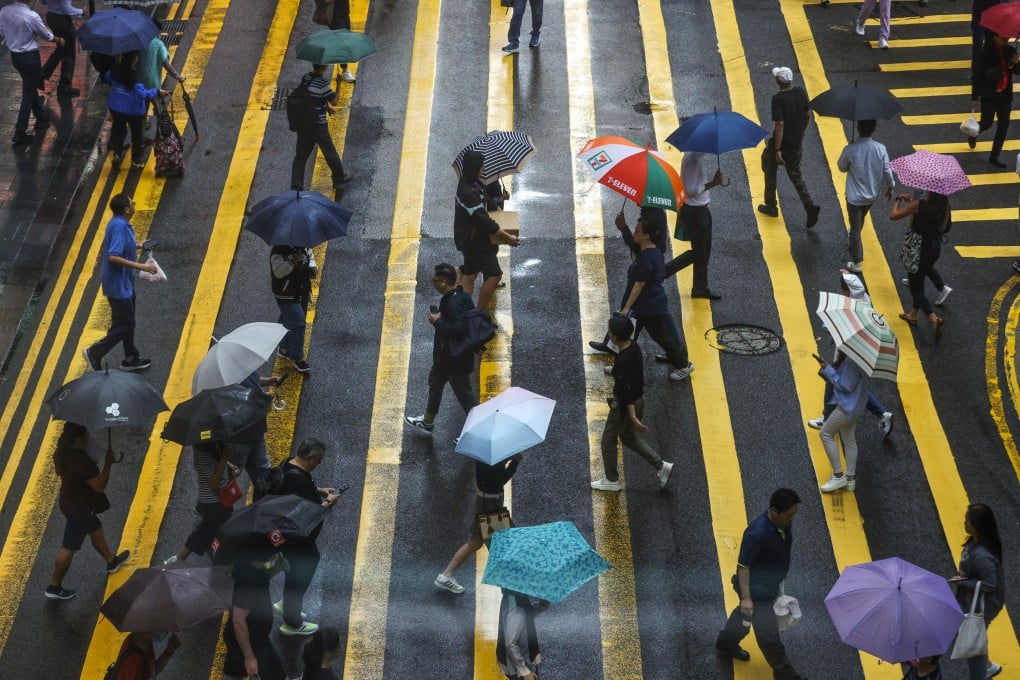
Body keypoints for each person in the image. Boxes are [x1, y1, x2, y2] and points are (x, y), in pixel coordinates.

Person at [716, 488, 805, 680]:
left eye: (793, 514)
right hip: (756, 592)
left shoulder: (783, 525)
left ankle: (725, 643)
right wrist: (747, 598)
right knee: (769, 639)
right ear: (774, 510)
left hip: (769, 586)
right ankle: (787, 676)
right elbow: (743, 567)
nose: (792, 519)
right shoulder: (756, 534)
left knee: (744, 617)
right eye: (789, 515)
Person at [46, 422, 130, 600]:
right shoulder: (81, 461)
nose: (89, 437)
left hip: (69, 501)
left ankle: (111, 561)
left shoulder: (63, 454)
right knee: (69, 547)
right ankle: (54, 587)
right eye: (86, 435)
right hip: (80, 509)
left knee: (95, 527)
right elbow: (99, 486)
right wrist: (108, 464)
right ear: (79, 439)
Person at [590, 316, 674, 492]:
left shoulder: (622, 362)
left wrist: (632, 415)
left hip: (625, 407)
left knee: (607, 441)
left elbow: (625, 391)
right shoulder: (634, 345)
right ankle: (660, 466)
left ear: (613, 337)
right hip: (639, 399)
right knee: (628, 437)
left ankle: (611, 480)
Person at [807, 271, 894, 438]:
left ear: (848, 291)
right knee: (855, 387)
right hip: (859, 351)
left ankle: (826, 419)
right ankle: (882, 414)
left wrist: (828, 328)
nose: (841, 292)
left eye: (842, 289)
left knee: (831, 378)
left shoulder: (850, 308)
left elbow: (840, 327)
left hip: (847, 352)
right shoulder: (864, 300)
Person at [275, 438, 343, 636]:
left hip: (292, 538)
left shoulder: (289, 464)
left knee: (293, 571)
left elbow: (304, 491)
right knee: (300, 575)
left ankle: (286, 604)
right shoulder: (299, 480)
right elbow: (310, 513)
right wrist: (328, 503)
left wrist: (321, 491)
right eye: (319, 460)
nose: (319, 464)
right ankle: (292, 622)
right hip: (299, 540)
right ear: (310, 457)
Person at [83, 194, 157, 372]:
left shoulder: (120, 223)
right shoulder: (119, 227)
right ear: (126, 210)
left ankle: (131, 358)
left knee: (126, 322)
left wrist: (139, 245)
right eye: (132, 203)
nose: (134, 204)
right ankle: (94, 352)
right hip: (118, 287)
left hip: (124, 283)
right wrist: (142, 267)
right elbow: (113, 256)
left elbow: (121, 246)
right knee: (125, 325)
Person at [618, 213, 694, 382]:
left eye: (637, 230)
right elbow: (632, 242)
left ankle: (684, 365)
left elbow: (639, 285)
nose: (634, 233)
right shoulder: (651, 251)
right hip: (644, 306)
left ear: (647, 235)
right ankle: (622, 364)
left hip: (651, 308)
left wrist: (626, 308)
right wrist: (623, 227)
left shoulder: (646, 258)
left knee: (664, 337)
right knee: (629, 335)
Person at [405, 263, 479, 434]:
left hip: (455, 360)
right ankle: (428, 421)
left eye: (434, 281)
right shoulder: (462, 296)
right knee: (435, 383)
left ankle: (479, 430)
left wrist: (437, 321)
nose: (434, 284)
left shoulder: (453, 302)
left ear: (444, 282)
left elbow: (459, 328)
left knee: (466, 397)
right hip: (444, 358)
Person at [434, 455, 522, 594]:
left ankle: (446, 575)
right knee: (501, 545)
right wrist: (514, 463)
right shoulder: (493, 459)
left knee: (475, 543)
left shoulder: (482, 454)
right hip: (491, 508)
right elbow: (499, 480)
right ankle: (510, 587)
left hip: (484, 503)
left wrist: (507, 460)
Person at [453, 150, 518, 311]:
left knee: (470, 275)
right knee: (495, 274)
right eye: (481, 166)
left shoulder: (474, 183)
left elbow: (485, 199)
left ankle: (466, 313)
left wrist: (497, 204)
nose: (483, 168)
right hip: (475, 241)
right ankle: (479, 312)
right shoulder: (467, 191)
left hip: (470, 239)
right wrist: (507, 236)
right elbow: (482, 219)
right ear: (474, 167)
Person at [758, 66, 820, 229]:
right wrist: (800, 133)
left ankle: (771, 205)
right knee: (796, 175)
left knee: (768, 166)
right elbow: (807, 115)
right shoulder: (800, 92)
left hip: (781, 145)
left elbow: (780, 124)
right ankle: (809, 206)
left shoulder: (778, 99)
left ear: (778, 81)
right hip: (796, 143)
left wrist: (777, 150)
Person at [952, 503, 1005, 679]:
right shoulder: (974, 544)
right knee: (974, 638)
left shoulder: (983, 555)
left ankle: (981, 674)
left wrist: (964, 582)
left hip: (983, 605)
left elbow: (990, 585)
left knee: (972, 642)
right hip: (971, 601)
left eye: (968, 521)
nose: (964, 523)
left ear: (977, 525)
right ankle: (987, 667)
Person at [0, 0, 64, 145]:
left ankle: (41, 116)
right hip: (30, 58)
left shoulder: (4, 11)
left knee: (30, 86)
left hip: (15, 57)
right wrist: (59, 39)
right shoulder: (31, 16)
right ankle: (20, 132)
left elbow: (2, 31)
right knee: (27, 95)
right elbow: (46, 35)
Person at [164, 441, 238, 565]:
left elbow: (217, 463)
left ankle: (178, 559)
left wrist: (230, 466)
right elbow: (214, 482)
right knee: (208, 531)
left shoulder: (211, 445)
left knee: (208, 530)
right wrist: (225, 459)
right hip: (214, 502)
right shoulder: (203, 454)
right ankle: (177, 560)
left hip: (217, 501)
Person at [665, 152, 726, 299]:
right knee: (700, 252)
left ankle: (700, 287)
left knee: (705, 250)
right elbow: (690, 190)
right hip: (696, 212)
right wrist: (713, 183)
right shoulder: (693, 160)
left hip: (700, 209)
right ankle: (664, 271)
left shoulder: (696, 156)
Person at [836, 119, 895, 273]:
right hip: (871, 195)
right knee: (860, 220)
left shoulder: (851, 149)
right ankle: (853, 241)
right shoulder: (880, 149)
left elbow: (841, 167)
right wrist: (891, 187)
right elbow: (887, 171)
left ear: (858, 129)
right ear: (873, 129)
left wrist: (849, 149)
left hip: (854, 197)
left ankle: (857, 261)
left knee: (855, 227)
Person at [891, 191, 950, 340]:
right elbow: (942, 229)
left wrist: (898, 199)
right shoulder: (945, 206)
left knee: (916, 288)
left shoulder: (919, 205)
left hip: (917, 248)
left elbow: (894, 216)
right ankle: (913, 315)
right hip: (934, 248)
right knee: (921, 277)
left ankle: (933, 319)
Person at [290, 63, 353, 199]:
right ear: (324, 67)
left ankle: (296, 188)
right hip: (318, 125)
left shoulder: (306, 78)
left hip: (304, 124)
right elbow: (335, 101)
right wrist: (339, 84)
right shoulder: (322, 84)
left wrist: (325, 107)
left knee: (300, 156)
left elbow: (311, 98)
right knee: (330, 153)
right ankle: (339, 179)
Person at [221, 554, 289, 680]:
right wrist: (249, 657)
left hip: (241, 639)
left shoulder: (254, 567)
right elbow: (238, 621)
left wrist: (273, 569)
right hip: (253, 642)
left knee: (232, 673)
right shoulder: (249, 577)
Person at [814, 349, 869, 492]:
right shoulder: (861, 356)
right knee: (849, 439)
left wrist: (828, 370)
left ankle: (838, 476)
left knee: (825, 434)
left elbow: (846, 385)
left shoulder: (852, 359)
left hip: (847, 406)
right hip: (856, 405)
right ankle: (850, 480)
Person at [105, 53, 169, 169]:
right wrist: (157, 92)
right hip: (132, 111)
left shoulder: (115, 70)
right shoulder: (134, 75)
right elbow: (142, 94)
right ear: (134, 60)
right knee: (136, 136)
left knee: (119, 132)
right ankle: (136, 161)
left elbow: (107, 77)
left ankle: (117, 155)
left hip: (116, 108)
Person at [969, 31, 1018, 167]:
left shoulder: (1010, 50)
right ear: (995, 38)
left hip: (1005, 96)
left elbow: (1017, 71)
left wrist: (1016, 62)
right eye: (1003, 37)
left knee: (1004, 125)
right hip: (989, 96)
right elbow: (977, 76)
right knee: (986, 123)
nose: (1006, 39)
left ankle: (994, 156)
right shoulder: (985, 54)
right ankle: (973, 133)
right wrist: (975, 97)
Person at [271, 245, 316, 373]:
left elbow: (310, 257)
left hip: (301, 291)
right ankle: (298, 358)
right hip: (286, 294)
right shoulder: (278, 251)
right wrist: (292, 262)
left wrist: (312, 267)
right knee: (298, 324)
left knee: (288, 320)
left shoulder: (304, 246)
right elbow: (278, 273)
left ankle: (284, 349)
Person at [497, 590, 547, 680]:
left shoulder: (515, 596)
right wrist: (525, 672)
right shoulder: (516, 610)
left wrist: (541, 606)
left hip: (520, 664)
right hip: (520, 667)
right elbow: (510, 643)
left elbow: (526, 617)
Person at [41, 0, 82, 97]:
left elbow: (44, 2)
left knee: (61, 49)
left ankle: (42, 74)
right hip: (62, 20)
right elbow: (66, 8)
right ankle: (65, 85)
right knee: (69, 53)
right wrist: (81, 12)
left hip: (51, 16)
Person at [110, 632, 181, 679]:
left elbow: (151, 671)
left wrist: (169, 651)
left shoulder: (145, 643)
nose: (165, 631)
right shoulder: (134, 660)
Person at [328, 0, 356, 83]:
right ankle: (344, 69)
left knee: (345, 39)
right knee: (342, 42)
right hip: (334, 16)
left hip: (344, 13)